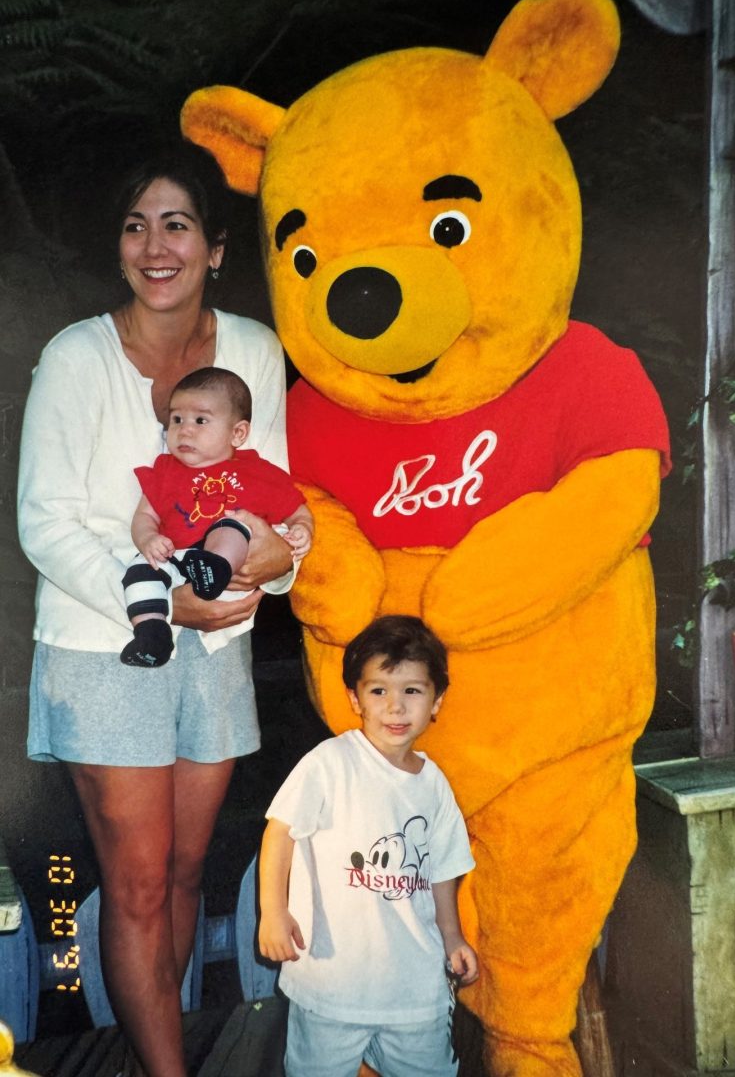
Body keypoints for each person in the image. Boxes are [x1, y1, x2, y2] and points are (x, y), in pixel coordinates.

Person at [17, 142, 297, 1077]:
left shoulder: (254, 350)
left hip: (216, 651)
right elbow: (45, 523)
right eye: (136, 225)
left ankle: (153, 1052)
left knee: (184, 872)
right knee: (135, 885)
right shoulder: (76, 357)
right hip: (106, 647)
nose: (155, 244)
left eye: (176, 223)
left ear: (216, 248)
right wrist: (166, 602)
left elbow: (278, 503)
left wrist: (272, 569)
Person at [259, 614, 478, 1077]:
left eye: (412, 692)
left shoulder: (434, 784)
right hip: (331, 982)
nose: (395, 707)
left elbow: (442, 871)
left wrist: (453, 937)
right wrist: (273, 913)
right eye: (379, 690)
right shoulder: (330, 762)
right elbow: (279, 832)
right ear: (354, 698)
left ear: (436, 701)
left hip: (414, 987)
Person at [122, 366, 313, 668]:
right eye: (176, 419)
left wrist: (302, 529)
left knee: (234, 523)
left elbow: (297, 509)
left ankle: (215, 566)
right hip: (179, 558)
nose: (184, 429)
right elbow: (145, 514)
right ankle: (151, 631)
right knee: (139, 569)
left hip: (229, 568)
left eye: (200, 420)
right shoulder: (166, 471)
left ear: (237, 433)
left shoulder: (258, 473)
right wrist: (148, 539)